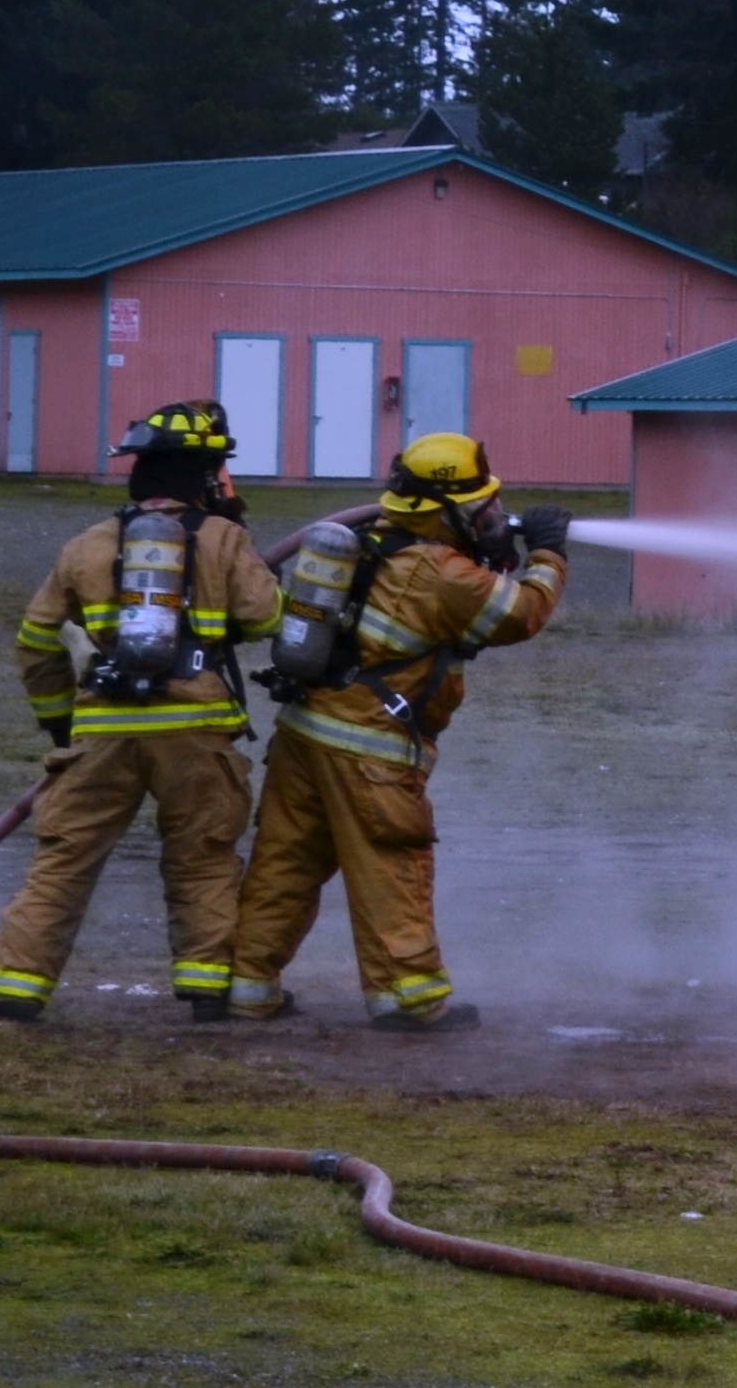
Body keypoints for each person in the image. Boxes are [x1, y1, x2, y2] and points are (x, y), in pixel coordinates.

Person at [223, 433, 566, 1032]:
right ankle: (409, 999)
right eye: (482, 506)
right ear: (447, 507)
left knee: (285, 863)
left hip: (305, 734)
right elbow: (521, 614)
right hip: (368, 752)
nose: (491, 516)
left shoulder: (379, 543)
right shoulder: (437, 571)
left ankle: (250, 987)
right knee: (392, 866)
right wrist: (548, 555)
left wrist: (495, 553)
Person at [0, 401, 284, 1022]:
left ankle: (14, 987)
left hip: (101, 729)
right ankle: (207, 987)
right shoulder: (223, 538)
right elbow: (266, 617)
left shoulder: (87, 545)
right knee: (202, 858)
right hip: (195, 731)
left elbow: (36, 641)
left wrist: (61, 722)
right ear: (205, 476)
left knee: (64, 858)